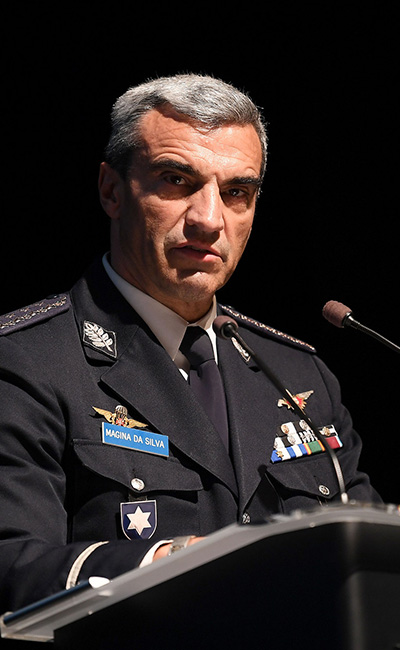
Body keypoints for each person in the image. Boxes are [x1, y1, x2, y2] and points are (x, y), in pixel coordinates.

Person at [0, 74, 379, 614]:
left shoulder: (297, 374)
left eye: (237, 193)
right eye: (177, 180)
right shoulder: (26, 361)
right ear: (111, 190)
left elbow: (367, 561)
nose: (209, 219)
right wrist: (173, 563)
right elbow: (11, 563)